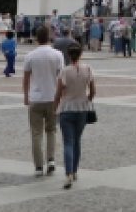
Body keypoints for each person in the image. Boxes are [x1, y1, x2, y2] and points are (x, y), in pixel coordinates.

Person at [23, 25, 64, 177]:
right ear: (49, 37)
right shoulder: (57, 55)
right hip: (53, 97)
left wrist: (26, 96)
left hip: (36, 98)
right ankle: (51, 159)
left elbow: (26, 79)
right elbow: (61, 78)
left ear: (36, 38)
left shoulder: (30, 56)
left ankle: (39, 166)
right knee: (52, 130)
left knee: (36, 133)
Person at [54, 43, 95, 190]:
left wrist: (55, 108)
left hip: (67, 109)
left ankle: (68, 174)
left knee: (68, 142)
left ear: (69, 56)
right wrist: (87, 99)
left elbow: (58, 93)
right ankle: (75, 171)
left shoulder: (65, 72)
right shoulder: (88, 69)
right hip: (82, 109)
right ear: (80, 54)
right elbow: (93, 91)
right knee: (77, 141)